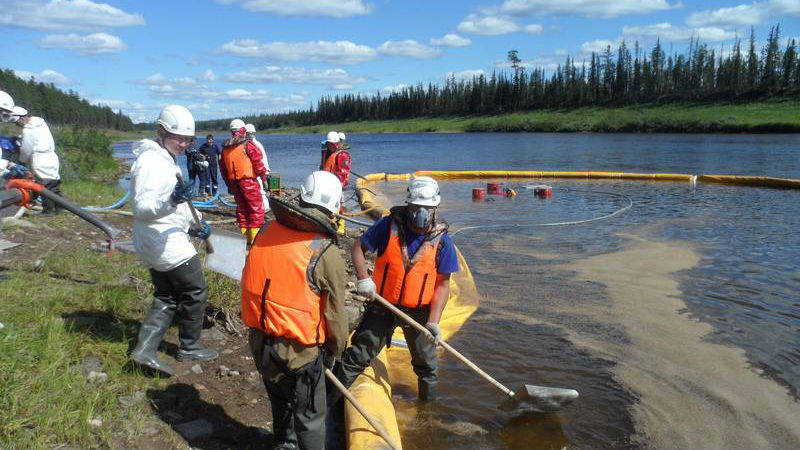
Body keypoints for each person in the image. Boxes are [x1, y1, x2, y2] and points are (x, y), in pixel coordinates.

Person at [241, 171, 349, 450]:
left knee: (279, 399)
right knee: (311, 415)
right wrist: (336, 351)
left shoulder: (265, 231)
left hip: (260, 343)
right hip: (301, 354)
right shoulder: (325, 252)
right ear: (334, 209)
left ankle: (285, 444)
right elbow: (336, 315)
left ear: (301, 198)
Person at [332, 176, 459, 402]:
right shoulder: (388, 226)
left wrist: (434, 321)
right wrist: (363, 279)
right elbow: (358, 247)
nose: (421, 214)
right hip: (383, 305)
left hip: (419, 313)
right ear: (408, 205)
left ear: (435, 208)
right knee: (357, 355)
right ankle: (331, 403)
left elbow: (443, 285)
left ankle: (426, 413)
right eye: (417, 208)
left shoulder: (443, 242)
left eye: (427, 209)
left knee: (427, 367)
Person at [129, 104, 217, 377]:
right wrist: (172, 201)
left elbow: (180, 204)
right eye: (177, 138)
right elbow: (142, 208)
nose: (183, 144)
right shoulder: (151, 162)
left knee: (166, 295)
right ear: (161, 131)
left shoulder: (165, 157)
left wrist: (197, 222)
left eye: (188, 139)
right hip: (162, 241)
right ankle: (189, 346)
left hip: (157, 239)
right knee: (195, 291)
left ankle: (143, 351)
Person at [220, 119, 268, 244]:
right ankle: (255, 239)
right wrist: (263, 178)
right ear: (243, 130)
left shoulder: (225, 149)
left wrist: (229, 185)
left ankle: (245, 238)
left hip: (235, 183)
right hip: (249, 182)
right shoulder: (247, 145)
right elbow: (258, 162)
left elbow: (223, 170)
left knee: (241, 209)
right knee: (256, 209)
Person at [11, 108, 62, 214]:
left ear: (20, 118)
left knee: (44, 186)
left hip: (40, 158)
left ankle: (48, 211)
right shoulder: (40, 123)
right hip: (52, 156)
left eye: (16, 122)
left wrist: (22, 160)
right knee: (54, 183)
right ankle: (59, 207)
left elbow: (26, 149)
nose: (17, 125)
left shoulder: (28, 130)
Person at [245, 123, 270, 206]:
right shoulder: (244, 145)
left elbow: (263, 160)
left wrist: (265, 173)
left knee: (261, 191)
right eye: (248, 134)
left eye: (251, 133)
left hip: (259, 173)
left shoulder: (258, 145)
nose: (250, 135)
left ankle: (265, 207)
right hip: (250, 173)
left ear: (254, 134)